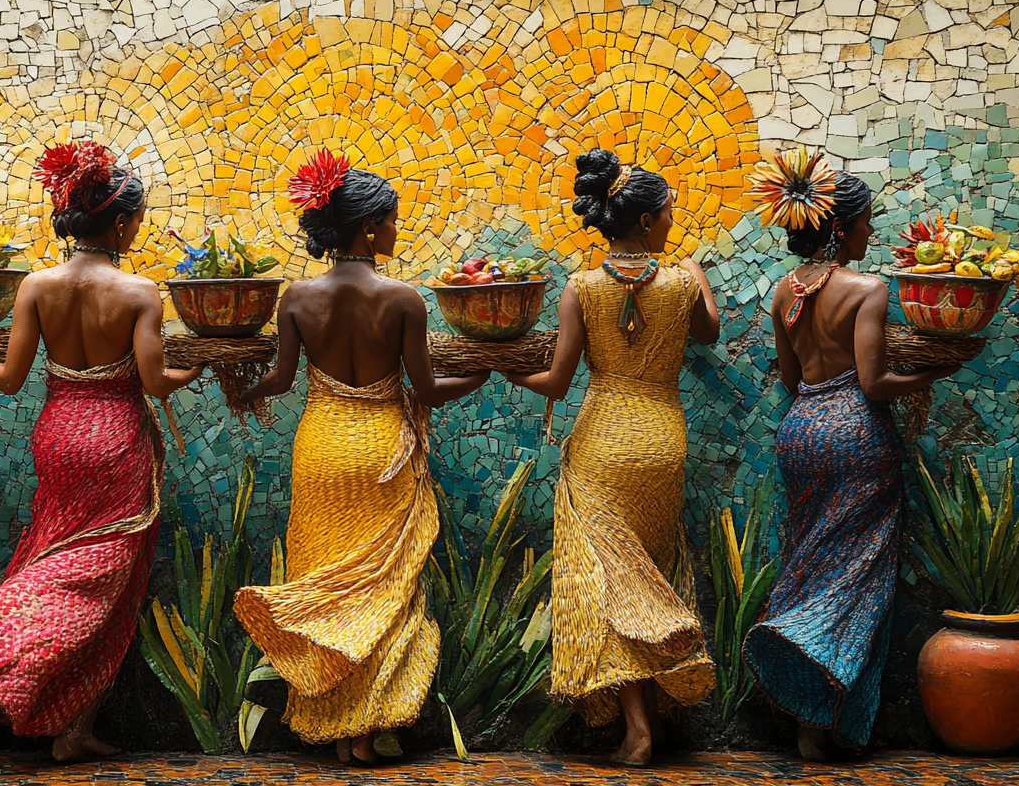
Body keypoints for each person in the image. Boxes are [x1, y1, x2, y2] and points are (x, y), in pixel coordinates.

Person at [0, 141, 202, 762]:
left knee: (57, 550)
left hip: (59, 432)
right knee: (105, 580)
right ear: (120, 223)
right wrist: (195, 370)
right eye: (138, 219)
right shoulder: (140, 292)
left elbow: (10, 377)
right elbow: (154, 380)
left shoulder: (37, 286)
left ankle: (74, 726)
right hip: (117, 436)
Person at [231, 150, 489, 765]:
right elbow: (426, 391)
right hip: (380, 452)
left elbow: (281, 378)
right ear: (369, 229)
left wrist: (240, 388)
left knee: (328, 584)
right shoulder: (403, 299)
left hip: (321, 445)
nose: (398, 231)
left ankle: (339, 722)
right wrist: (484, 372)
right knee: (381, 588)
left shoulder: (296, 296)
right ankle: (364, 730)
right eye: (394, 221)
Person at [505, 149, 720, 767]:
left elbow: (554, 381)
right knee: (649, 571)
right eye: (671, 213)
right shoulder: (680, 281)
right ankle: (655, 712)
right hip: (661, 436)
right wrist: (695, 274)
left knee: (612, 582)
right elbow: (707, 332)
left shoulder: (582, 287)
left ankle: (638, 727)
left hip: (602, 437)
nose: (674, 220)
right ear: (649, 222)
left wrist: (500, 367)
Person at [741, 149, 957, 760]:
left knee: (811, 557)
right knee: (860, 570)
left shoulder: (785, 290)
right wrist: (937, 369)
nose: (871, 232)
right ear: (842, 226)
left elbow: (790, 379)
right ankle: (808, 666)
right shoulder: (868, 289)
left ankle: (810, 715)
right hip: (857, 436)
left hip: (802, 431)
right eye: (866, 222)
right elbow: (874, 383)